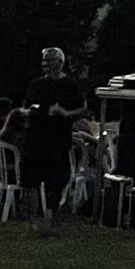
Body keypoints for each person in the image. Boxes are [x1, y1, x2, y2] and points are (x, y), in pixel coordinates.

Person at [19, 47, 88, 234]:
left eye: (49, 61)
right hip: (34, 138)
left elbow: (82, 110)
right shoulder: (36, 84)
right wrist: (30, 112)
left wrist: (65, 113)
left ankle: (50, 218)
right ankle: (33, 221)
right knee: (30, 181)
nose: (45, 65)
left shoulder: (70, 85)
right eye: (44, 61)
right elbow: (24, 108)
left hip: (57, 139)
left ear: (60, 62)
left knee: (55, 182)